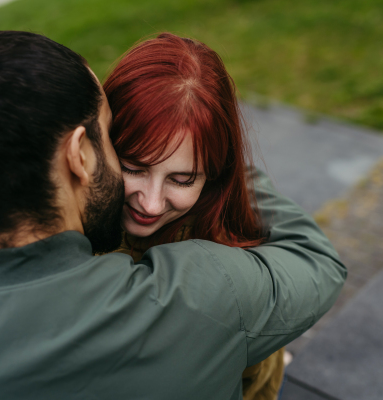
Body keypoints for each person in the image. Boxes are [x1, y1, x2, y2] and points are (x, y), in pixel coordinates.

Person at [0, 31, 346, 400]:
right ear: (81, 154)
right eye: (124, 155)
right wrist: (233, 172)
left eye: (184, 177)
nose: (151, 204)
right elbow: (317, 264)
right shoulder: (212, 294)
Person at [103, 33, 283, 400]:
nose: (151, 205)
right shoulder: (59, 230)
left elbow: (258, 381)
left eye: (182, 179)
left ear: (215, 174)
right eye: (134, 169)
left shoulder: (229, 270)